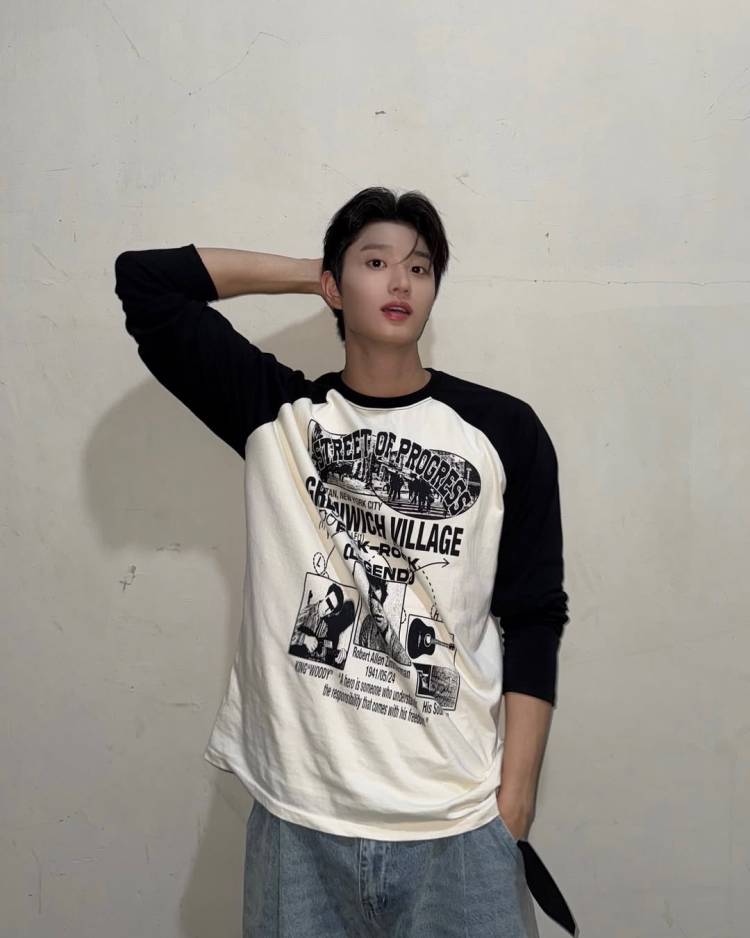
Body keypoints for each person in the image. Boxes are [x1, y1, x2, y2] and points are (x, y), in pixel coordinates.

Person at [114, 187, 571, 937]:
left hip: (456, 826)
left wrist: (513, 804)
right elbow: (146, 282)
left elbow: (534, 616)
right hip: (300, 825)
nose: (401, 282)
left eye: (420, 268)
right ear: (336, 285)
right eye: (376, 263)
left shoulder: (503, 431)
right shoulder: (280, 419)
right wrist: (313, 273)